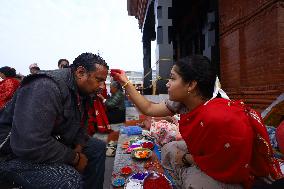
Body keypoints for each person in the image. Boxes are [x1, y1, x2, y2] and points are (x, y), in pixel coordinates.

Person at [111, 55, 283, 189]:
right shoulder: (182, 100)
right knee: (169, 148)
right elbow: (148, 108)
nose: (168, 84)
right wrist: (126, 83)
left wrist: (186, 159)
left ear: (191, 85)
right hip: (206, 155)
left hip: (231, 171)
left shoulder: (220, 117)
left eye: (172, 78)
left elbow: (225, 162)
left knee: (193, 182)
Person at [0, 52, 109, 189]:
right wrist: (75, 158)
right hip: (12, 156)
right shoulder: (45, 86)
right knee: (68, 179)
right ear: (81, 72)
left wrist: (79, 147)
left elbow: (83, 122)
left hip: (53, 141)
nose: (102, 86)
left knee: (97, 148)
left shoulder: (83, 90)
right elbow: (30, 144)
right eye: (99, 80)